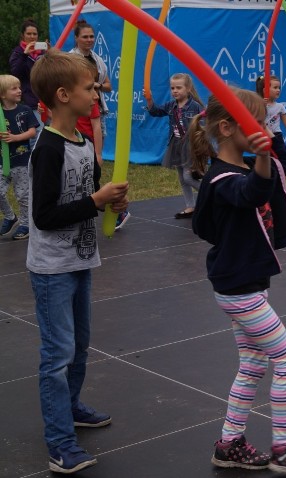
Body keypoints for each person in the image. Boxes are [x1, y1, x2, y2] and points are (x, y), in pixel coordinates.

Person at [188, 87, 286, 474]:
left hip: (245, 284)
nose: (264, 128)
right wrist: (263, 155)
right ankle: (285, 446)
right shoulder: (222, 180)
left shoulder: (237, 171)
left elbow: (259, 187)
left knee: (253, 364)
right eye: (257, 122)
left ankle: (229, 443)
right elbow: (251, 193)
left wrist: (262, 155)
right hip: (240, 291)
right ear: (229, 128)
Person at [28, 49, 130, 474]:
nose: (96, 94)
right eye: (90, 88)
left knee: (80, 347)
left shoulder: (84, 142)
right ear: (64, 94)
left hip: (81, 258)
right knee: (57, 354)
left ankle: (69, 407)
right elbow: (46, 216)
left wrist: (110, 202)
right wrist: (95, 199)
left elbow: (86, 200)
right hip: (52, 268)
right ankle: (60, 444)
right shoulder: (48, 148)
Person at [144, 73, 204, 218]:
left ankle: (211, 193)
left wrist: (198, 145)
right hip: (176, 145)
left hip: (190, 146)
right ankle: (191, 206)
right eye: (172, 88)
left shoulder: (195, 107)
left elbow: (202, 126)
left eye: (179, 87)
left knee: (189, 177)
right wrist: (150, 100)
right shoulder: (171, 105)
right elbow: (155, 112)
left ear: (188, 88)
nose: (175, 91)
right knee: (183, 179)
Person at [0, 74, 38, 240]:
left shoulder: (25, 110)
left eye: (19, 87)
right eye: (14, 88)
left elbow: (32, 131)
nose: (19, 91)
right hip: (2, 163)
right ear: (2, 95)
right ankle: (9, 217)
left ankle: (25, 224)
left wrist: (15, 138)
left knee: (23, 195)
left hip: (21, 162)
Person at [256, 75, 286, 176]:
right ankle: (266, 177)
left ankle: (283, 175)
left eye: (279, 88)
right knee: (265, 159)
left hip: (277, 136)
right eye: (275, 87)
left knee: (281, 156)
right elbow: (255, 119)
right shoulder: (258, 105)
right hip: (264, 136)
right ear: (265, 90)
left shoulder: (280, 106)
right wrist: (261, 106)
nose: (278, 90)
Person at [70, 21, 111, 119]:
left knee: (98, 133)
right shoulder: (70, 59)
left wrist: (99, 85)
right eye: (85, 37)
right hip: (78, 110)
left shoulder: (98, 60)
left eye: (91, 36)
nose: (89, 40)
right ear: (76, 38)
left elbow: (108, 86)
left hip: (97, 109)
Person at [9, 19, 47, 111]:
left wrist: (50, 54)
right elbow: (15, 73)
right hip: (29, 102)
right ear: (23, 35)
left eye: (35, 34)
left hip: (45, 100)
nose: (32, 36)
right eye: (29, 34)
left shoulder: (43, 52)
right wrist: (25, 54)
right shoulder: (18, 52)